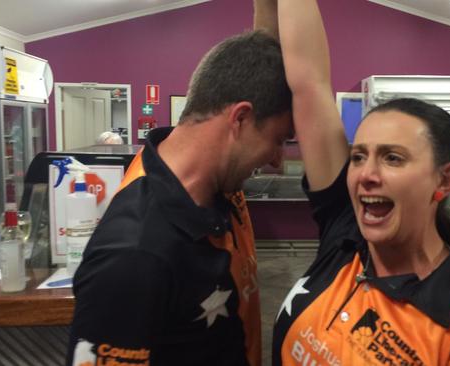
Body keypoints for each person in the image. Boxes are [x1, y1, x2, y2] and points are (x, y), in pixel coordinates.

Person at [254, 0, 450, 364]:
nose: (366, 174)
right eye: (359, 156)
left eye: (393, 158)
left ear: (444, 180)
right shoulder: (346, 233)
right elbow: (308, 82)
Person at [66, 30, 293, 365]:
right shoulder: (135, 256)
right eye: (278, 139)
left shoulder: (213, 184)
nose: (277, 160)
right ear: (241, 119)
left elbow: (264, 48)